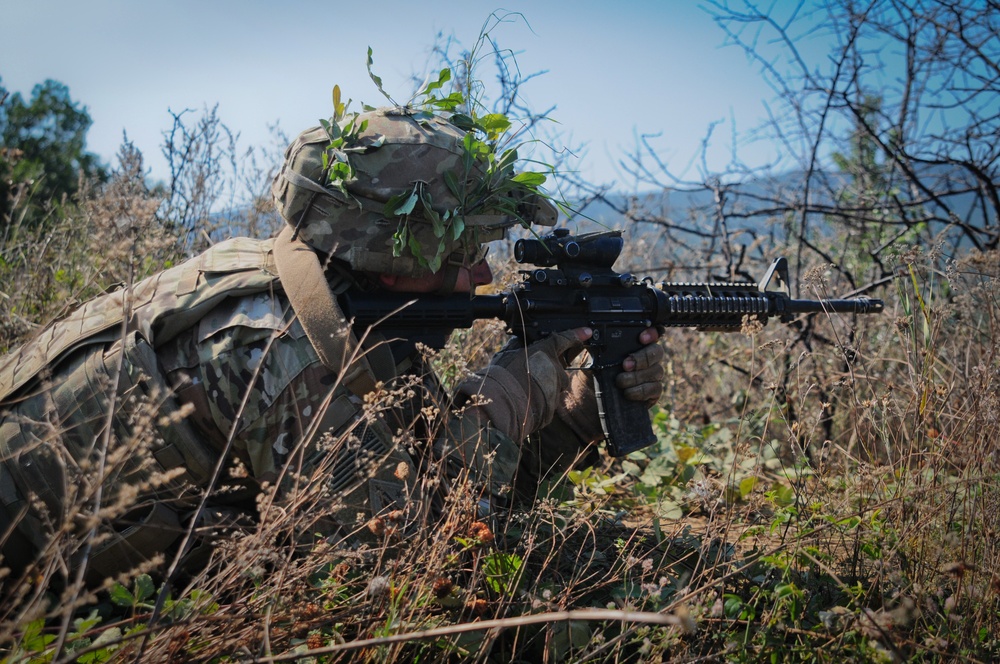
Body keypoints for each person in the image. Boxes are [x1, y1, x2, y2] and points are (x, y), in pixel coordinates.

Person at [0, 106, 665, 588]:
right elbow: (414, 565)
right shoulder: (283, 349)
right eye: (463, 253)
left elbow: (430, 473)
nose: (483, 275)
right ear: (389, 260)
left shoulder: (325, 292)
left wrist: (573, 407)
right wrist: (507, 402)